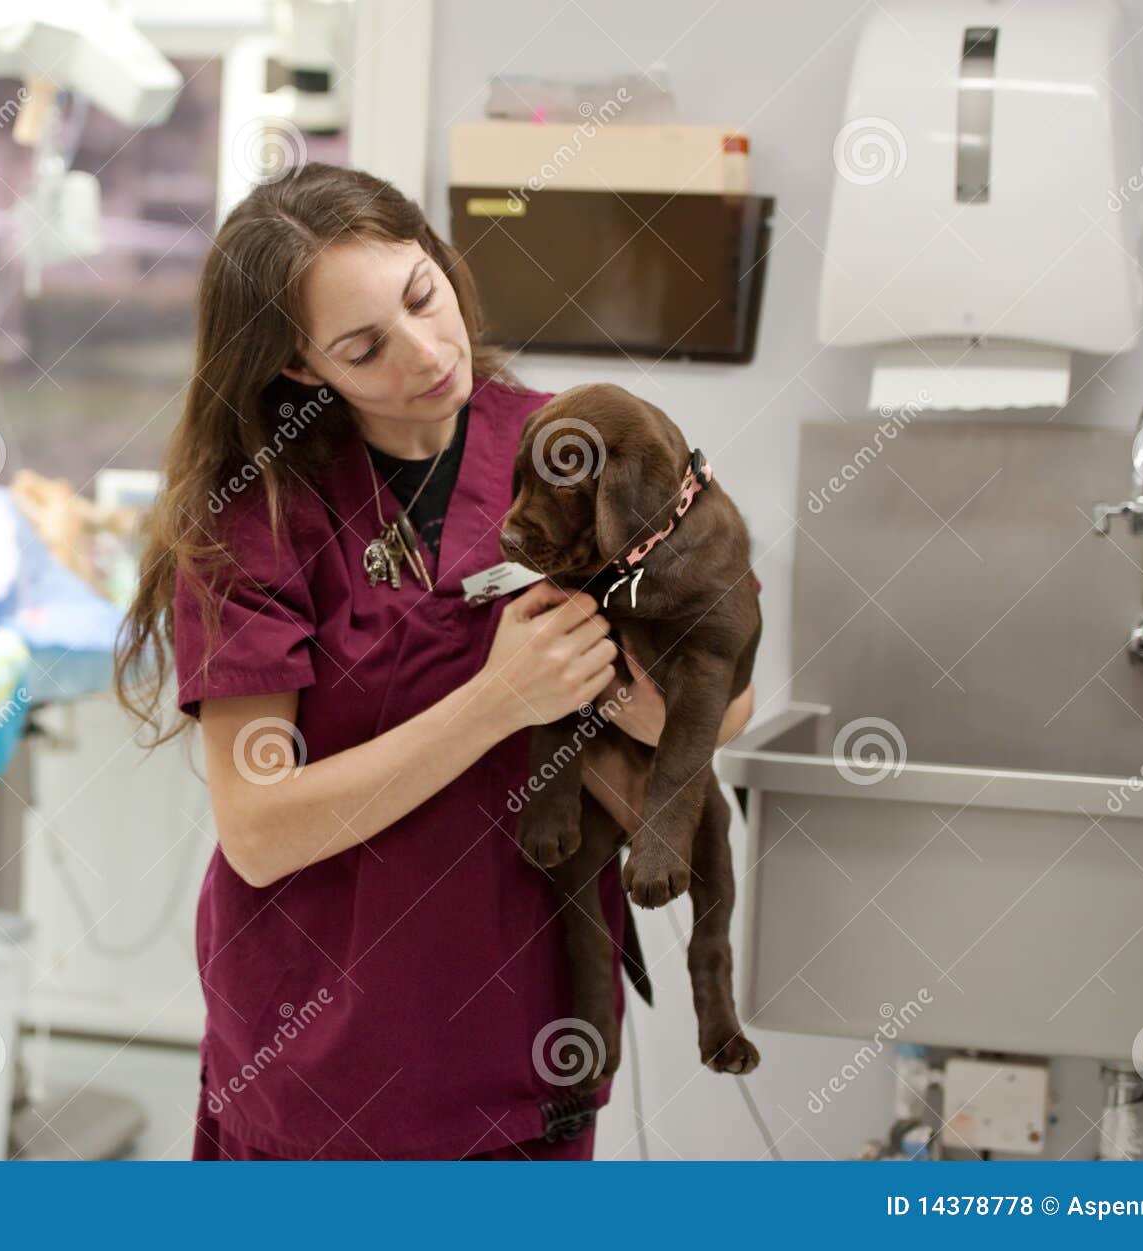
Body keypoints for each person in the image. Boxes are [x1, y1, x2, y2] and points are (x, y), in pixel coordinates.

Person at [115, 162, 754, 1161]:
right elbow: (261, 829)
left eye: (424, 297)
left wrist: (631, 700)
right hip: (331, 1055)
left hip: (534, 1033)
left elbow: (727, 704)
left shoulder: (577, 441)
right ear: (298, 368)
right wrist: (496, 701)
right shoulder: (256, 516)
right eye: (364, 347)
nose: (425, 355)